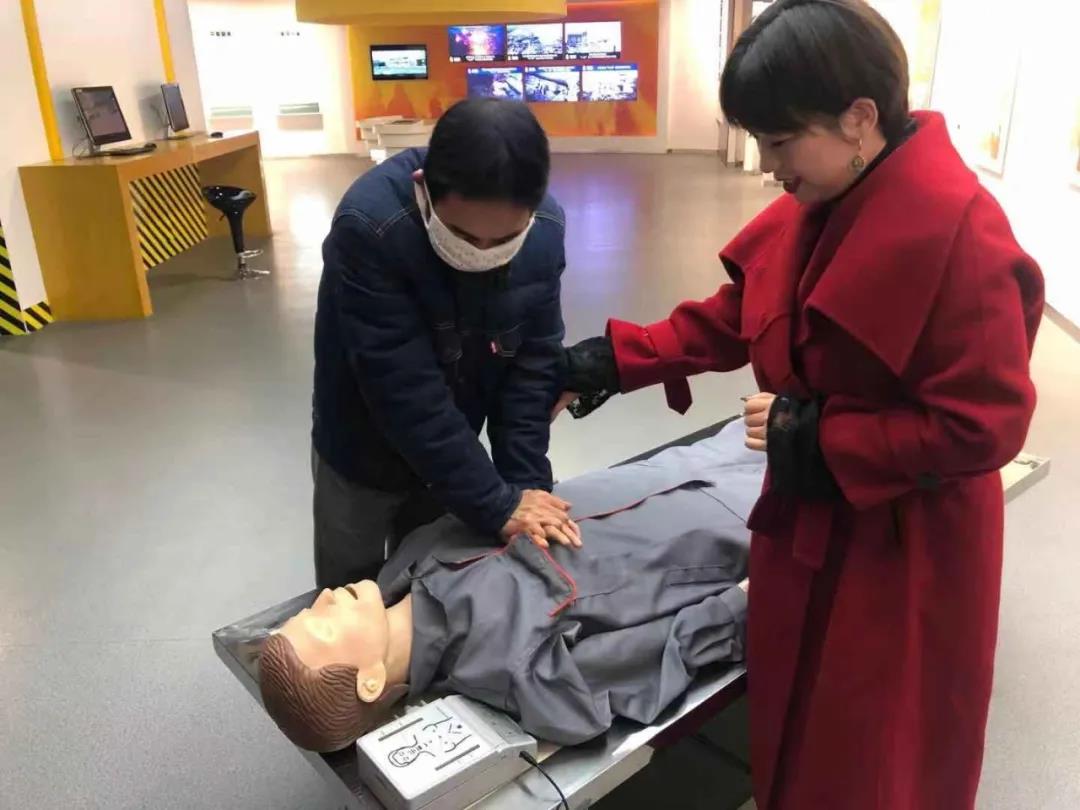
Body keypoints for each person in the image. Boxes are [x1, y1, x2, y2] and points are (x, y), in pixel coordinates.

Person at [558, 1, 1045, 808]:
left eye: (780, 142)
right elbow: (738, 314)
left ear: (859, 118)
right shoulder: (826, 194)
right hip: (809, 514)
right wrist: (609, 361)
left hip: (903, 547)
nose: (768, 166)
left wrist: (825, 436)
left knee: (870, 750)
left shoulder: (961, 234)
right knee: (795, 724)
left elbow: (985, 423)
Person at [259, 420, 756, 752]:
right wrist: (743, 604)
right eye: (323, 627)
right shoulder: (511, 667)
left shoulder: (409, 559)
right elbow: (654, 657)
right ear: (369, 681)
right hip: (734, 525)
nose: (326, 597)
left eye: (310, 610)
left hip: (676, 469)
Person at [312, 98, 579, 592]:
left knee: (429, 582)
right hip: (362, 448)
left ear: (533, 208)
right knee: (349, 589)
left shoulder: (546, 231)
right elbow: (403, 389)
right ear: (424, 188)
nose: (481, 253)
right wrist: (496, 503)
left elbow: (532, 367)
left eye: (504, 240)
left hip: (453, 445)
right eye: (460, 234)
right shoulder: (369, 228)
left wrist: (525, 489)